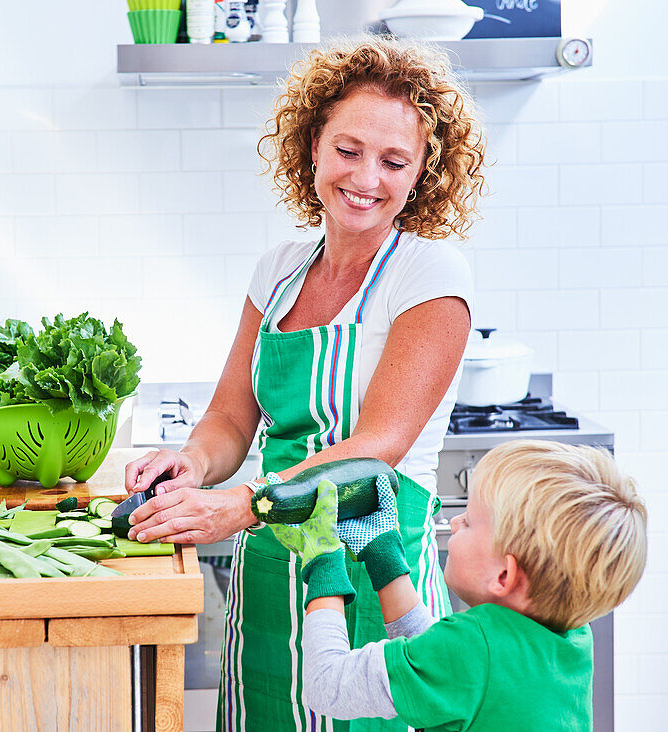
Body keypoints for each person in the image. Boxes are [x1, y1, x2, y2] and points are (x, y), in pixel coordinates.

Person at [124, 36, 486, 730]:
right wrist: (192, 463)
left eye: (393, 161)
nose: (366, 177)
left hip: (376, 583)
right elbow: (231, 418)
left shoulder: (430, 276)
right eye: (348, 150)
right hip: (270, 586)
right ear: (314, 142)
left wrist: (241, 505)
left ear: (421, 175)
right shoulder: (281, 269)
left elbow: (377, 444)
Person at [272, 440, 648, 731]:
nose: (453, 525)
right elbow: (439, 659)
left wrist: (324, 565)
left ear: (504, 576)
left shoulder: (470, 650)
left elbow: (327, 686)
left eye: (468, 521)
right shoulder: (571, 638)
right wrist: (383, 555)